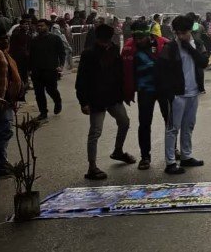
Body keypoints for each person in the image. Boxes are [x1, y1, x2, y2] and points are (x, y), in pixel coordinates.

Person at [76, 24, 136, 180]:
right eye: (104, 41)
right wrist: (83, 102)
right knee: (95, 132)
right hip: (96, 99)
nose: (106, 43)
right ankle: (92, 167)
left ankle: (118, 151)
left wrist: (125, 93)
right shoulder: (89, 54)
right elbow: (81, 80)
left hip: (113, 97)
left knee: (124, 122)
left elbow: (120, 73)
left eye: (107, 40)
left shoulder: (115, 50)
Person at [155, 15, 209, 175]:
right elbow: (160, 71)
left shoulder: (197, 44)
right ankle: (170, 162)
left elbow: (204, 62)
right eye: (177, 33)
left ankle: (186, 156)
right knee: (172, 128)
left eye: (183, 33)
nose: (180, 36)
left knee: (189, 125)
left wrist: (190, 48)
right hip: (177, 94)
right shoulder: (170, 48)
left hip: (193, 92)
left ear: (189, 31)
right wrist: (167, 92)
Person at [121, 21, 169, 170]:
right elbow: (123, 70)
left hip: (163, 90)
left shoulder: (164, 44)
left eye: (141, 37)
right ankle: (145, 157)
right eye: (135, 37)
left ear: (148, 34)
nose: (138, 40)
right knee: (144, 124)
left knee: (170, 122)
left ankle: (172, 151)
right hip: (144, 91)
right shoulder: (129, 48)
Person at [0, 25, 21, 210]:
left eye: (6, 38)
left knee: (3, 132)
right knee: (4, 131)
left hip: (4, 102)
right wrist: (1, 104)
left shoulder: (5, 53)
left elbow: (11, 78)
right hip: (0, 105)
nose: (5, 41)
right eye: (1, 38)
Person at [29, 19, 65, 120]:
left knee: (51, 90)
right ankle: (43, 112)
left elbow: (62, 53)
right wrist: (29, 69)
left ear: (47, 27)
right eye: (38, 26)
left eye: (42, 26)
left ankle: (57, 101)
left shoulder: (55, 39)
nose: (39, 27)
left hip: (50, 69)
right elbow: (31, 55)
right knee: (39, 92)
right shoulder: (34, 40)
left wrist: (61, 65)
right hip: (36, 70)